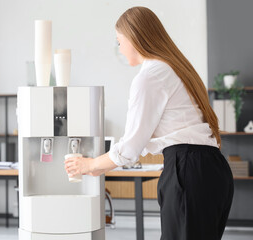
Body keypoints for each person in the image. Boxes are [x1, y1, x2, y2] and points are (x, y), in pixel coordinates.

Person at [64, 6, 234, 240]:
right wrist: (100, 167)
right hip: (211, 169)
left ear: (134, 38)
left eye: (119, 41)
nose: (120, 49)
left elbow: (131, 148)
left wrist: (89, 165)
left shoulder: (149, 77)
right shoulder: (176, 68)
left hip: (188, 171)